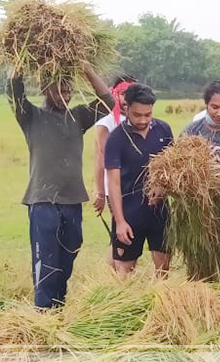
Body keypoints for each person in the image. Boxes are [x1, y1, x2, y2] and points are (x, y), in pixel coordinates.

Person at [6, 63, 113, 308]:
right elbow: (14, 89)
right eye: (59, 91)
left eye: (68, 91)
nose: (65, 96)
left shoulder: (78, 117)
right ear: (45, 89)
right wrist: (20, 62)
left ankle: (58, 306)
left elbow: (108, 101)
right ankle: (43, 312)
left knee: (70, 251)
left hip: (72, 200)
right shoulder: (30, 116)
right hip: (42, 200)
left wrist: (86, 69)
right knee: (46, 259)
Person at [105, 83, 173, 277]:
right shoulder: (116, 138)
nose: (143, 120)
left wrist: (164, 187)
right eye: (137, 115)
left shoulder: (163, 130)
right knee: (124, 274)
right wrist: (119, 221)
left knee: (163, 270)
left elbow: (173, 168)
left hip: (159, 213)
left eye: (148, 114)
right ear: (126, 108)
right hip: (129, 213)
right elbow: (114, 183)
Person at [93, 75, 136, 268]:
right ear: (114, 94)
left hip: (137, 186)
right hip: (116, 187)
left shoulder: (140, 120)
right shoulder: (106, 124)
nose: (126, 99)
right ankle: (116, 275)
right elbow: (100, 159)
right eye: (123, 94)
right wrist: (100, 192)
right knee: (120, 233)